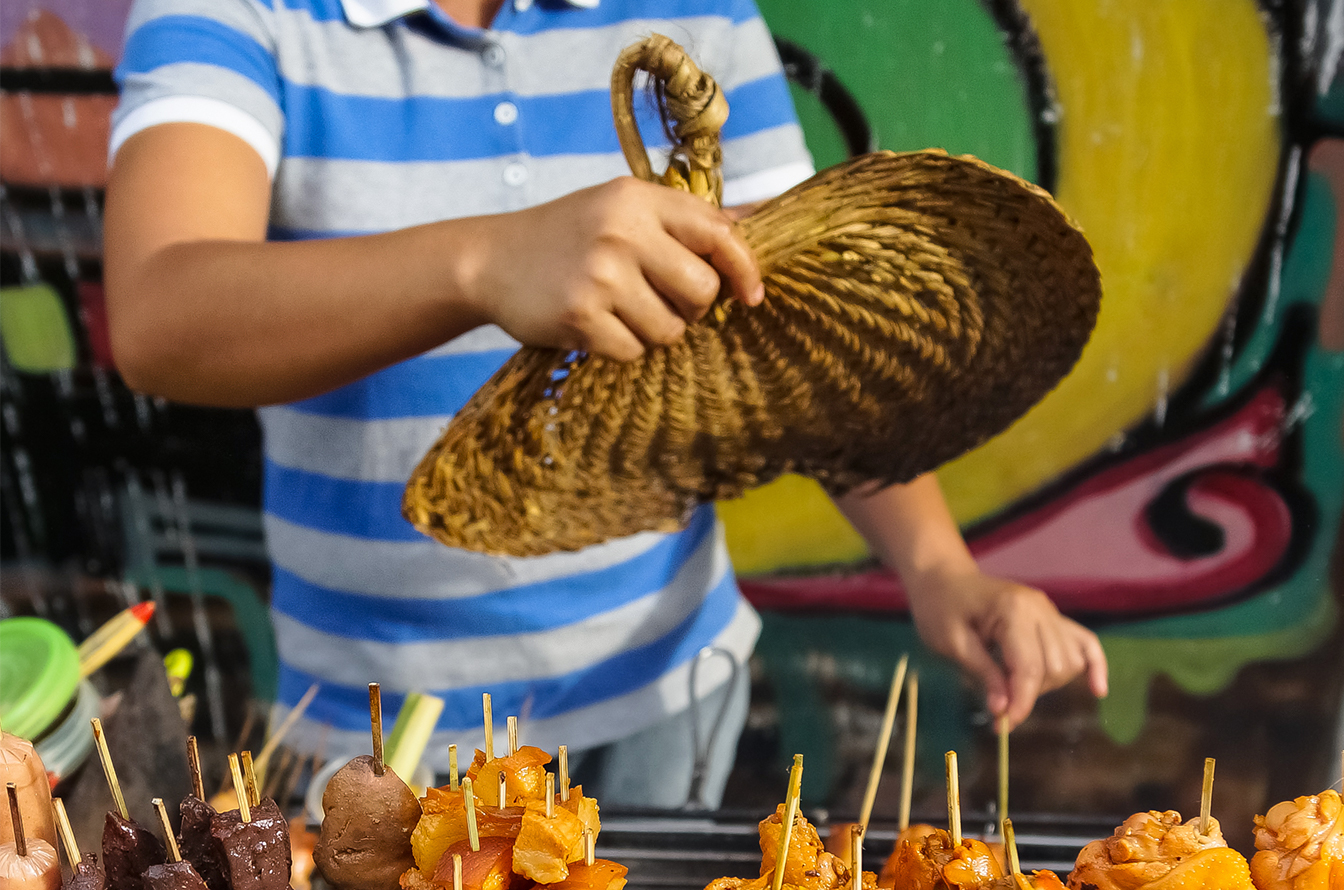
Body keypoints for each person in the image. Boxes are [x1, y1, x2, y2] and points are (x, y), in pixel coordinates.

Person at [104, 0, 1106, 806]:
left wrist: (938, 570)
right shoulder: (236, 13)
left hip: (663, 698)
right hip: (377, 737)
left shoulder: (693, 16)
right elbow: (158, 315)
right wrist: (484, 260)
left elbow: (804, 335)